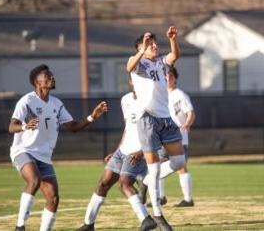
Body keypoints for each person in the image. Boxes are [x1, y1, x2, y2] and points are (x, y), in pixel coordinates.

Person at [9, 64, 107, 231]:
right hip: (24, 151)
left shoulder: (56, 103)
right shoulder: (27, 101)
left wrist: (92, 117)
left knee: (53, 199)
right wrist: (25, 126)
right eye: (47, 76)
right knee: (34, 180)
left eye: (52, 75)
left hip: (44, 156)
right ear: (37, 82)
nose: (52, 77)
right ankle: (20, 227)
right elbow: (12, 127)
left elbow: (74, 127)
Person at [127, 27, 186, 231]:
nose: (153, 45)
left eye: (154, 43)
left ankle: (147, 180)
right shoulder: (138, 62)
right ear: (140, 48)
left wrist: (173, 39)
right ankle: (159, 215)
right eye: (148, 43)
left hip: (166, 118)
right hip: (148, 119)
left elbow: (175, 55)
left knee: (179, 162)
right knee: (155, 167)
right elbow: (129, 66)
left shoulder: (161, 62)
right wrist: (142, 49)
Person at [77, 82, 157, 231]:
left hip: (138, 152)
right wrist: (116, 151)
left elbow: (156, 132)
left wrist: (141, 152)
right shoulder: (125, 100)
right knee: (103, 183)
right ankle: (88, 224)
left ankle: (146, 219)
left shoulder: (151, 102)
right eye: (132, 78)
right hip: (122, 150)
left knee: (124, 183)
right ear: (129, 82)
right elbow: (128, 129)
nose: (135, 81)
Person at [157, 67, 196, 207]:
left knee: (181, 167)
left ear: (175, 79)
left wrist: (187, 123)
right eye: (165, 76)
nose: (168, 78)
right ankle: (160, 197)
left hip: (178, 138)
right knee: (158, 166)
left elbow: (191, 112)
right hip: (163, 138)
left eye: (170, 76)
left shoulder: (179, 95)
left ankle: (188, 199)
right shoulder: (161, 95)